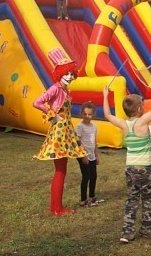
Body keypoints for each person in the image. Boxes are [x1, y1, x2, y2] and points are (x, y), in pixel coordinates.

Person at [103, 75, 151, 243]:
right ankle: (147, 229)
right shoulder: (142, 121)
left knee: (132, 199)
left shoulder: (124, 124)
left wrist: (105, 96)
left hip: (130, 169)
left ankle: (127, 233)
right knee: (147, 199)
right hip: (145, 169)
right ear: (139, 109)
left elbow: (107, 115)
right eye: (143, 104)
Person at [32, 56, 88, 216]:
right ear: (59, 74)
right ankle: (56, 208)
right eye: (67, 73)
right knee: (60, 171)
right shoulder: (56, 88)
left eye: (72, 73)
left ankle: (56, 206)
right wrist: (53, 115)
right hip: (59, 133)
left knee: (61, 170)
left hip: (66, 132)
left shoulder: (64, 89)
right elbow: (37, 102)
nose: (70, 76)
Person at [75, 101, 102, 207]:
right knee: (86, 176)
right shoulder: (80, 126)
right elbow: (78, 142)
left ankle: (91, 196)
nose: (87, 116)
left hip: (92, 154)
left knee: (94, 176)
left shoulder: (94, 127)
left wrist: (97, 155)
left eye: (89, 114)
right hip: (83, 155)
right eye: (85, 114)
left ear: (93, 114)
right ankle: (83, 199)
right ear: (81, 113)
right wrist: (84, 156)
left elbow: (94, 142)